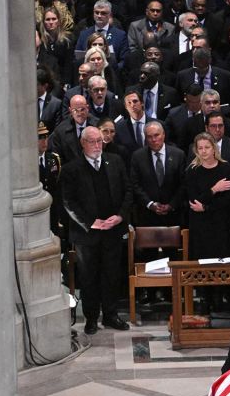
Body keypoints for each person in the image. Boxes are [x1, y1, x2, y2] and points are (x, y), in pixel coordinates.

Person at [62, 127, 132, 335]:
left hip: (112, 230)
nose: (97, 146)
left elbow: (127, 191)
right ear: (83, 143)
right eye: (92, 142)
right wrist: (90, 222)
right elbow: (68, 201)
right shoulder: (72, 169)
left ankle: (111, 315)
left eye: (99, 141)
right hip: (87, 234)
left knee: (112, 274)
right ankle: (91, 318)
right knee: (89, 276)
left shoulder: (115, 161)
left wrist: (119, 216)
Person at [183, 132, 230, 260]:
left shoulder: (226, 168)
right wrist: (214, 189)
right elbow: (194, 201)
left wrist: (206, 208)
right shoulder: (192, 171)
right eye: (200, 148)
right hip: (200, 226)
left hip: (221, 224)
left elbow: (228, 200)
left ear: (214, 148)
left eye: (207, 147)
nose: (203, 151)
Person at [127, 121, 185, 226]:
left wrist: (171, 205)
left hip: (173, 216)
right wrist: (150, 204)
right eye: (149, 137)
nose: (153, 140)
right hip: (147, 216)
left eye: (156, 135)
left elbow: (183, 184)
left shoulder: (178, 155)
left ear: (163, 134)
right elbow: (134, 184)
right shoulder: (137, 156)